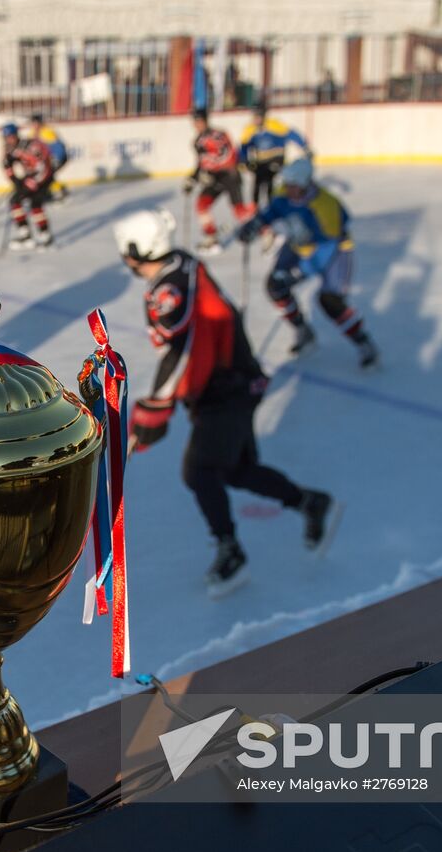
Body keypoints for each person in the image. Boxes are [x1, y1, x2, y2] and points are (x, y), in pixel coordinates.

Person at [114, 208, 336, 597]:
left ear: (133, 253)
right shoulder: (180, 264)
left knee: (199, 471)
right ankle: (309, 502)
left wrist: (152, 412)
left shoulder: (170, 290)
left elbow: (179, 351)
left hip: (226, 388)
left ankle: (231, 553)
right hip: (235, 381)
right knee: (235, 469)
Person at [237, 157, 379, 369]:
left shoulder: (325, 205)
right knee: (276, 286)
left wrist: (297, 272)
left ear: (306, 184)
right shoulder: (284, 192)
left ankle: (363, 341)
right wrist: (255, 224)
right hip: (299, 245)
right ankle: (303, 330)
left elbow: (327, 248)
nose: (289, 189)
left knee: (330, 301)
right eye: (288, 184)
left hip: (335, 253)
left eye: (294, 186)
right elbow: (273, 211)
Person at [185, 108, 251, 256]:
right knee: (202, 204)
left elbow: (228, 156)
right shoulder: (197, 142)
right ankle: (212, 238)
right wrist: (192, 180)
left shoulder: (218, 135)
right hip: (214, 178)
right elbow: (201, 163)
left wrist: (214, 171)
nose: (197, 124)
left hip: (229, 176)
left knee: (240, 211)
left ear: (205, 120)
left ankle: (266, 231)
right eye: (195, 121)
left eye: (199, 120)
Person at [239, 103, 309, 213]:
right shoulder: (250, 128)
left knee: (268, 180)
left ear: (263, 116)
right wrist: (243, 160)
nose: (255, 119)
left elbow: (291, 134)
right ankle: (255, 209)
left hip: (276, 158)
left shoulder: (274, 125)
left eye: (257, 116)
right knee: (257, 182)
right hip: (261, 161)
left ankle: (271, 207)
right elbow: (244, 146)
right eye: (254, 116)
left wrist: (304, 146)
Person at [1, 122, 55, 251]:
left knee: (35, 204)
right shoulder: (10, 149)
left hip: (44, 177)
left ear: (15, 135)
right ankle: (26, 235)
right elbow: (7, 165)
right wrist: (15, 180)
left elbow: (43, 166)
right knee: (16, 202)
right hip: (31, 177)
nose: (8, 140)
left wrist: (33, 182)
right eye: (6, 137)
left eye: (10, 137)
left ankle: (45, 236)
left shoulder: (30, 146)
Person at [29, 112, 69, 201]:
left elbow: (58, 147)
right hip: (46, 160)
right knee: (45, 175)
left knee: (47, 175)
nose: (34, 125)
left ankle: (52, 192)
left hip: (58, 157)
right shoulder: (32, 134)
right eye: (33, 123)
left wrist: (56, 158)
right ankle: (57, 190)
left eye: (36, 123)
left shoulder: (47, 132)